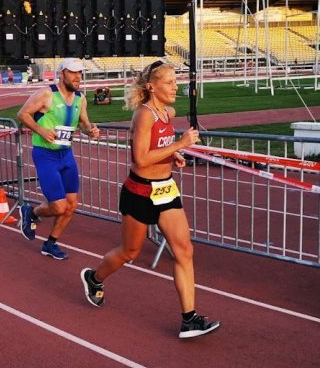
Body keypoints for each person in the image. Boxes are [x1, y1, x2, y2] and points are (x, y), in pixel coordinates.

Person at [80, 60, 220, 339]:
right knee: (129, 252)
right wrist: (180, 145)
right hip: (140, 190)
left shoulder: (168, 112)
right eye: (169, 82)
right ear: (151, 87)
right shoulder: (144, 115)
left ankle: (189, 319)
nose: (175, 86)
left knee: (185, 251)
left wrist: (173, 154)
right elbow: (140, 159)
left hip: (166, 189)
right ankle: (94, 277)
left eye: (175, 81)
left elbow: (159, 148)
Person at [16, 57, 99, 260]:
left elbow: (84, 123)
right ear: (62, 74)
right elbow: (23, 114)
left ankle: (51, 243)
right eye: (73, 72)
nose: (77, 76)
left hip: (66, 156)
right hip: (46, 155)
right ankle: (31, 213)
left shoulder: (81, 98)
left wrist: (91, 130)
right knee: (59, 206)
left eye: (80, 73)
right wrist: (41, 130)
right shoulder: (47, 94)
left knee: (71, 205)